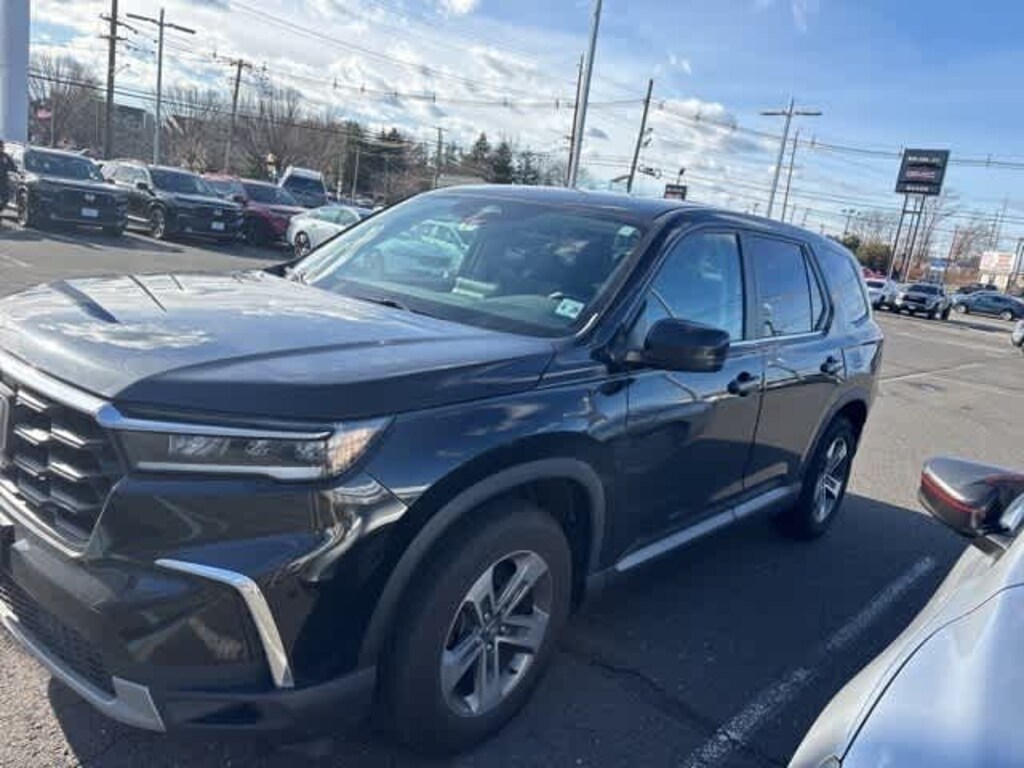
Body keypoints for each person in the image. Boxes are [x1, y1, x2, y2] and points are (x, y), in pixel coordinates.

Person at [0, 140, 16, 223]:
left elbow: (13, 167)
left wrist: (16, 172)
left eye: (2, 146)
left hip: (3, 180)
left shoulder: (5, 157)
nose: (1, 148)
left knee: (5, 198)